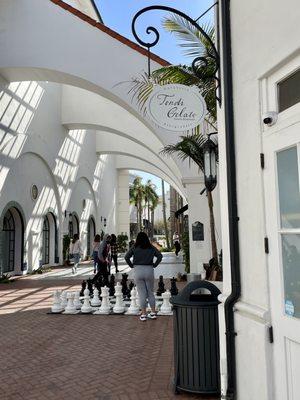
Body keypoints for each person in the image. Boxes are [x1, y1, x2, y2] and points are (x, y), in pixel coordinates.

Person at [125, 231, 163, 321]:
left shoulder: (134, 247)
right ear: (146, 238)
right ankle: (153, 313)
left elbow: (126, 257)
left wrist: (131, 265)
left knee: (141, 293)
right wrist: (154, 264)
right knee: (150, 292)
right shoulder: (151, 247)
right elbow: (160, 256)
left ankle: (143, 314)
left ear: (137, 239)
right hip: (149, 270)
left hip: (138, 271)